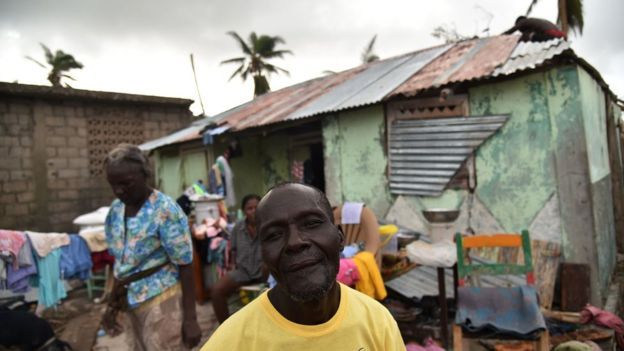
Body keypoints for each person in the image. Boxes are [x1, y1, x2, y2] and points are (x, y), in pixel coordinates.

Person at [201, 183, 405, 350]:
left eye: (311, 223)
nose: (294, 242)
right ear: (263, 254)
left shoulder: (378, 323)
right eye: (274, 235)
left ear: (339, 238)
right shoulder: (231, 343)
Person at [101, 144, 201, 350]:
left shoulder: (165, 211)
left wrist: (190, 319)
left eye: (126, 183)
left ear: (144, 174)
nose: (119, 190)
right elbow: (120, 263)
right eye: (113, 184)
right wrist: (111, 303)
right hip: (129, 300)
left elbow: (185, 264)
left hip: (161, 299)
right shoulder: (116, 210)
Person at [210, 194, 264, 323]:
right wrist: (232, 266)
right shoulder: (238, 228)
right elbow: (233, 250)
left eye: (256, 207)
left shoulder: (269, 225)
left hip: (266, 272)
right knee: (217, 291)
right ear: (244, 211)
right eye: (249, 208)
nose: (253, 211)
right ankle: (225, 328)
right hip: (243, 272)